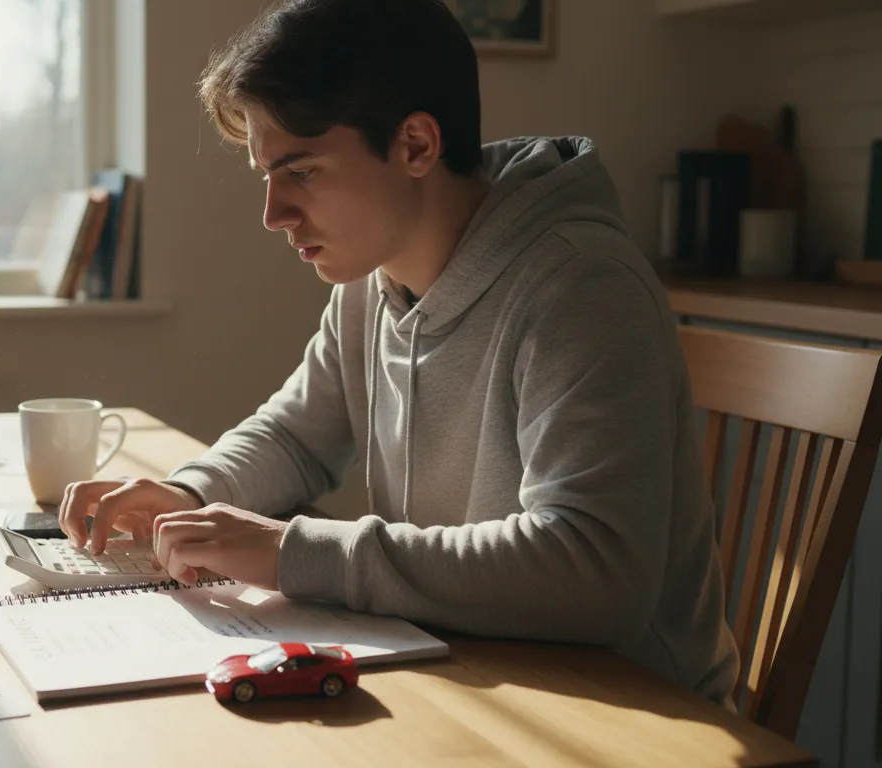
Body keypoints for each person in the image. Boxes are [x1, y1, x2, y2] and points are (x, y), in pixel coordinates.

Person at [58, 0, 738, 705]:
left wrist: (295, 553)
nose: (274, 214)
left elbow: (597, 573)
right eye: (267, 175)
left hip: (631, 713)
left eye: (303, 170)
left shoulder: (582, 285)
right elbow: (296, 436)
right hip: (471, 671)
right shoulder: (375, 278)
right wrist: (191, 492)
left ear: (415, 145)